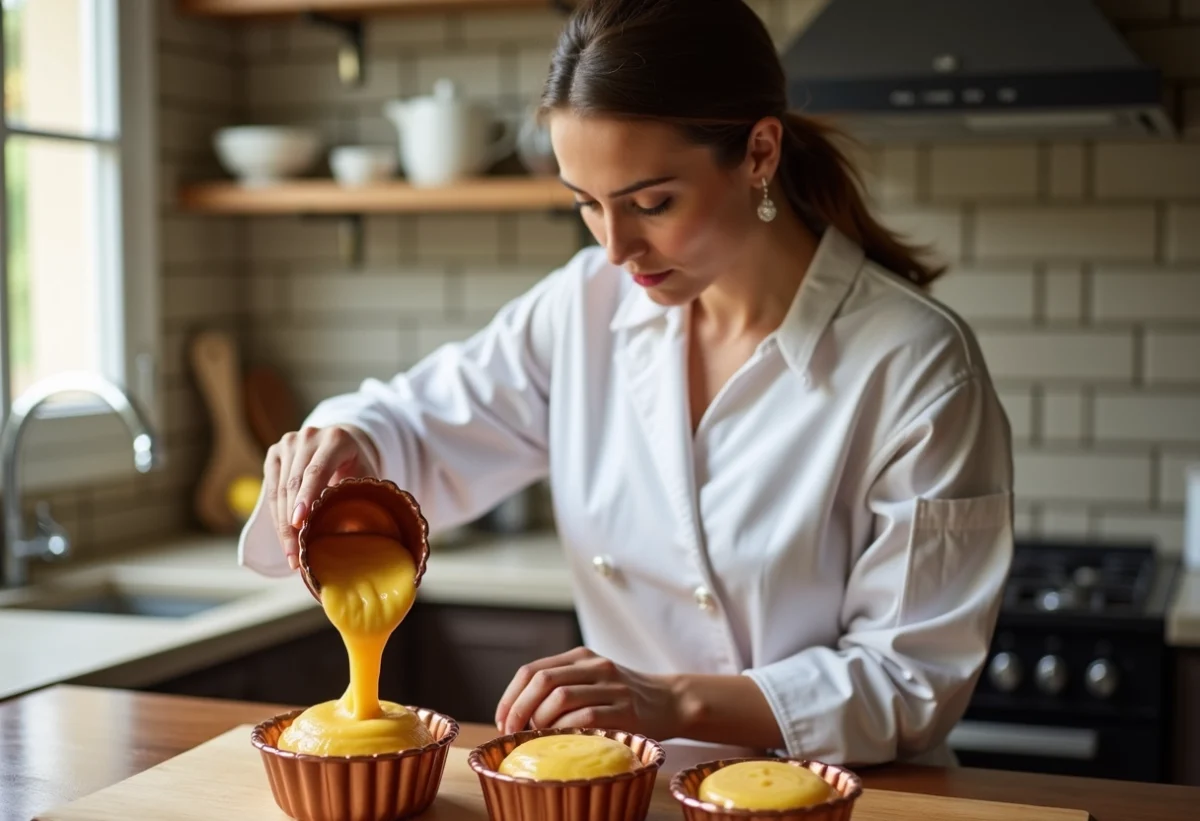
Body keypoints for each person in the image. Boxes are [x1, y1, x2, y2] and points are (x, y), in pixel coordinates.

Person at [238, 0, 1013, 772]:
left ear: (759, 153)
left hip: (842, 796)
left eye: (651, 203)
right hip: (622, 793)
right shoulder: (586, 307)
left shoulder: (916, 364)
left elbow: (907, 684)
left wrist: (670, 701)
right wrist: (348, 439)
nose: (615, 248)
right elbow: (421, 420)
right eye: (585, 206)